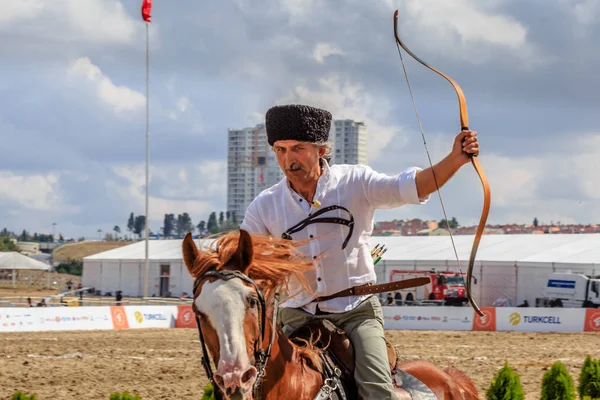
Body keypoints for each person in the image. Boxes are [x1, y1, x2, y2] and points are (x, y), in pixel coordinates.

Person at [240, 103, 480, 399]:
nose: (288, 159)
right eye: (280, 150)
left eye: (298, 148)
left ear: (321, 150)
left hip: (356, 313)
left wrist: (455, 159)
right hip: (297, 315)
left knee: (378, 393)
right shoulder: (263, 205)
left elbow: (411, 186)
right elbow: (246, 260)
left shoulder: (356, 182)